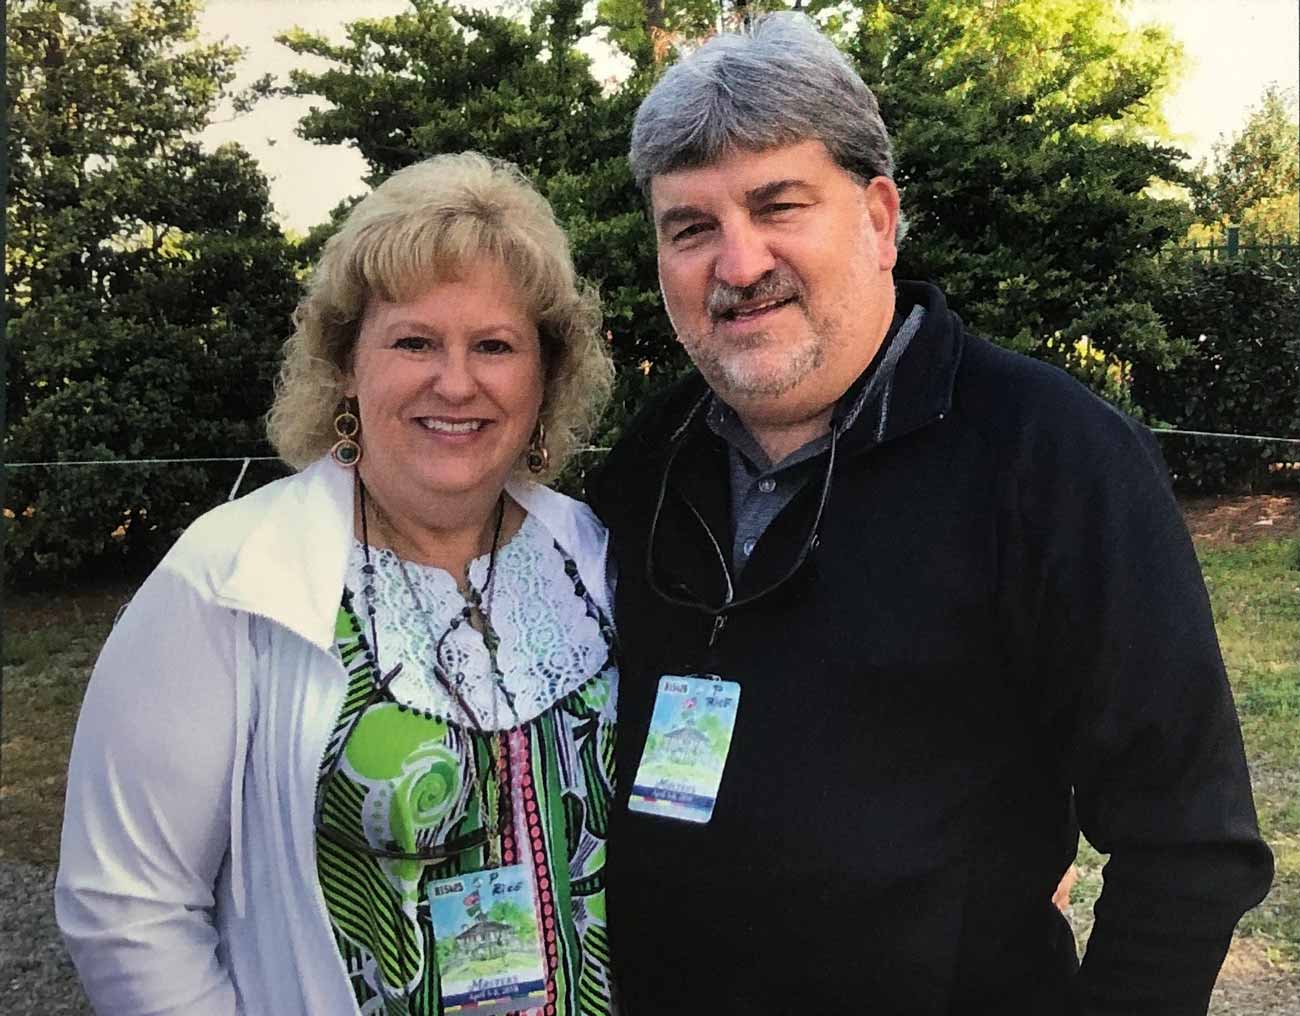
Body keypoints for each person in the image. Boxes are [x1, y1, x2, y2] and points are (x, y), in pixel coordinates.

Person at [586, 13, 1272, 1014]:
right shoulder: (649, 459)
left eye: (779, 206)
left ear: (876, 215)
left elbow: (1191, 838)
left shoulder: (1049, 455)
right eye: (691, 227)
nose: (735, 265)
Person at [56, 152, 619, 1015]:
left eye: (495, 346)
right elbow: (126, 908)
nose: (457, 382)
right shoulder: (233, 576)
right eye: (414, 341)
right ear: (347, 363)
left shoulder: (589, 556)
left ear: (544, 375)